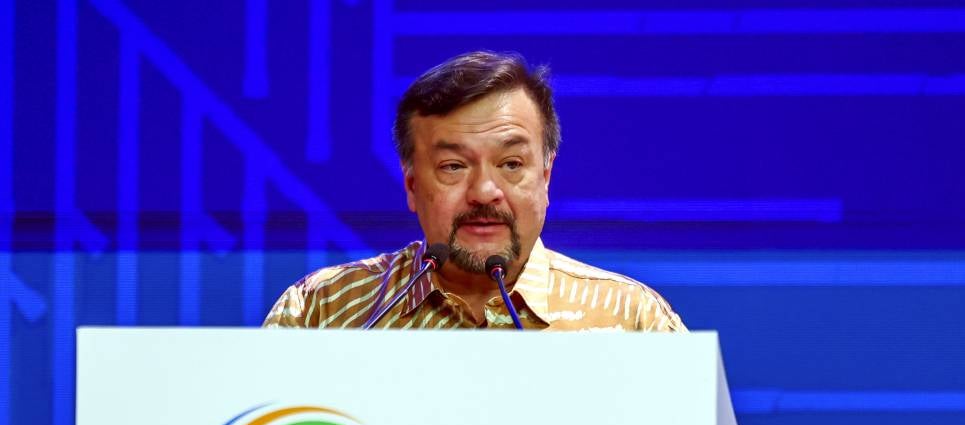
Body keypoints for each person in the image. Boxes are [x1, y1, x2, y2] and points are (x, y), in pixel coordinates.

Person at [264, 51, 685, 332]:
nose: (484, 192)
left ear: (546, 177)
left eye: (511, 165)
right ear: (412, 184)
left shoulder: (633, 322)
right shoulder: (321, 313)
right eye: (453, 166)